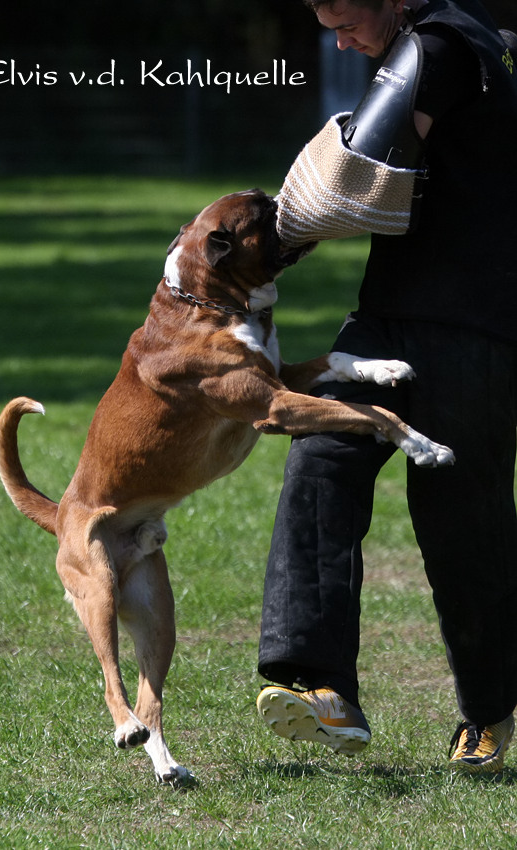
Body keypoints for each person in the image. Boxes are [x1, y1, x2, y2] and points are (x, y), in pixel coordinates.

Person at [256, 0, 517, 773]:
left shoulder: (438, 48)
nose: (339, 38)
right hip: (388, 317)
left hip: (472, 324)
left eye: (345, 17)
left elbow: (352, 179)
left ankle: (487, 710)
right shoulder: (473, 42)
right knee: (321, 454)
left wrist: (256, 243)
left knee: (461, 524)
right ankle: (320, 687)